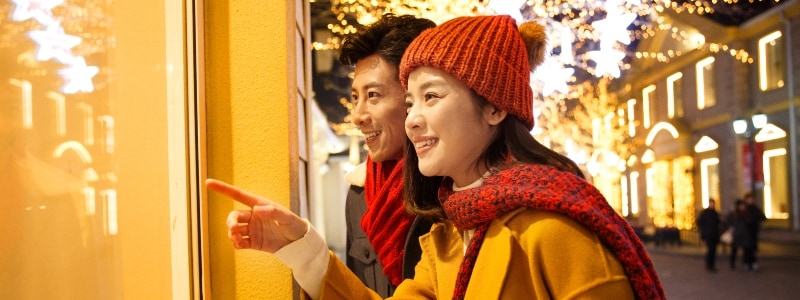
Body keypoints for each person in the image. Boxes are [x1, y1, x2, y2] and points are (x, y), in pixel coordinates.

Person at [208, 15, 665, 299]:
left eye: (432, 97)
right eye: (410, 103)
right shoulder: (449, 235)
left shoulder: (553, 229)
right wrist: (298, 243)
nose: (413, 120)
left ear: (493, 106)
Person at [336, 14, 436, 297]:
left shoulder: (451, 184)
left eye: (374, 95)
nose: (357, 116)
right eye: (356, 97)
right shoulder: (360, 195)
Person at [727, 199, 759, 270]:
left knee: (747, 249)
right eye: (741, 206)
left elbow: (751, 221)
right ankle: (732, 263)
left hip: (745, 234)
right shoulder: (733, 214)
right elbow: (729, 222)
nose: (742, 207)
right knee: (734, 250)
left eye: (743, 206)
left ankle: (747, 263)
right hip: (736, 234)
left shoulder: (747, 214)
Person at [696, 199, 722, 272]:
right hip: (708, 234)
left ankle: (712, 264)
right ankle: (709, 264)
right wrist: (705, 231)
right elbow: (700, 222)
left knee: (713, 250)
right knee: (710, 249)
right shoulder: (705, 213)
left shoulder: (715, 213)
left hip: (714, 234)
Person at [743, 192, 766, 270]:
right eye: (749, 199)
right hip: (745, 232)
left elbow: (762, 217)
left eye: (752, 199)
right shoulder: (744, 209)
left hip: (753, 231)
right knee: (747, 248)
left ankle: (752, 262)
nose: (751, 201)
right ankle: (746, 262)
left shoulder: (755, 209)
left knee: (752, 248)